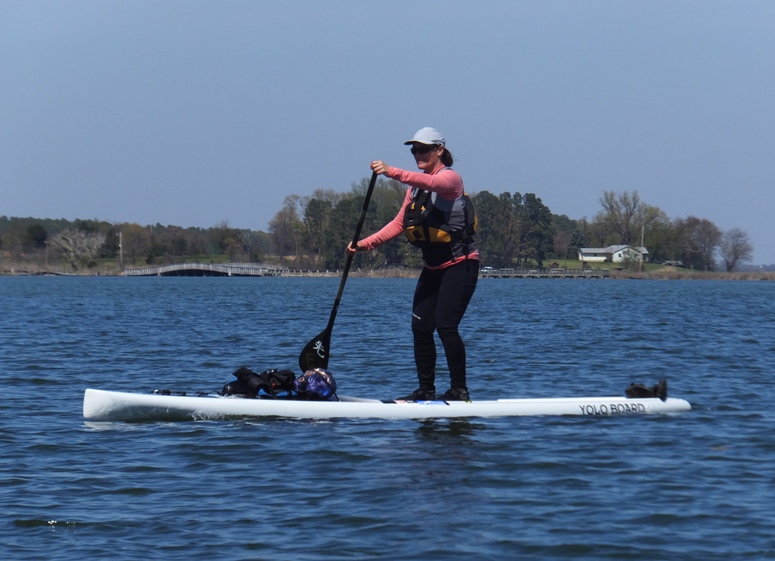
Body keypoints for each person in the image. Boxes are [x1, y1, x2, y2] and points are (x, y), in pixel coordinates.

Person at [347, 127, 479, 401]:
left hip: (460, 264)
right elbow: (398, 224)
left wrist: (390, 171)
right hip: (433, 268)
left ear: (439, 150)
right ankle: (426, 390)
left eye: (423, 149)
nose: (417, 154)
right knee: (420, 327)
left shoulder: (450, 179)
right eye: (414, 150)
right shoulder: (414, 188)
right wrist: (363, 245)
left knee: (445, 326)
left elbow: (432, 183)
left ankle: (459, 391)